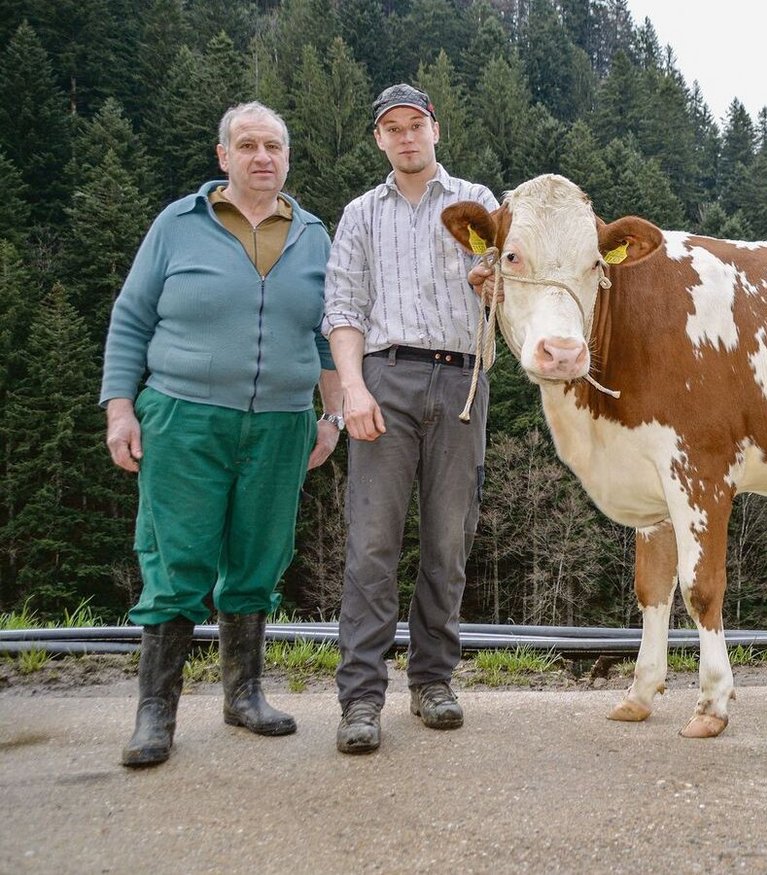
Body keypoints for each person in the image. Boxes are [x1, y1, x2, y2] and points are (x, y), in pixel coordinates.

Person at [101, 102, 343, 767]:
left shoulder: (313, 235)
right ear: (223, 156)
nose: (262, 156)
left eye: (274, 146)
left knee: (260, 555)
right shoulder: (178, 225)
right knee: (177, 559)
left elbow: (330, 336)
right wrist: (120, 409)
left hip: (282, 425)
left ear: (288, 158)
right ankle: (156, 712)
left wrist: (333, 416)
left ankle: (245, 693)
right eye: (248, 145)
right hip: (183, 416)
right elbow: (130, 320)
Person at [323, 84, 498, 755]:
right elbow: (342, 307)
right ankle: (361, 698)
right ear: (378, 139)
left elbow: (512, 284)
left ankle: (432, 682)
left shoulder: (478, 203)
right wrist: (352, 391)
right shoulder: (361, 213)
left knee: (450, 540)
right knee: (371, 542)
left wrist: (494, 280)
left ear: (436, 130)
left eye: (414, 125)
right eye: (391, 128)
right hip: (384, 379)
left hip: (462, 378)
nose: (404, 137)